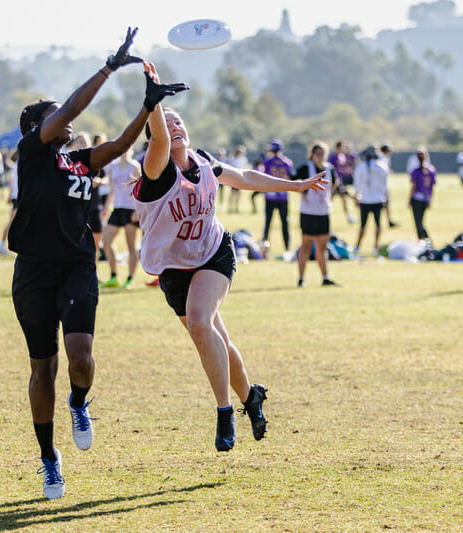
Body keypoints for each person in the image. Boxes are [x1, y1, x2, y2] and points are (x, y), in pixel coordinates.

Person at [8, 29, 185, 500]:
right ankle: (49, 458)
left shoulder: (80, 161)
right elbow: (69, 111)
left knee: (81, 358)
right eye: (54, 118)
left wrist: (150, 106)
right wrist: (109, 67)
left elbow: (125, 144)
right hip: (33, 274)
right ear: (38, 128)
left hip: (76, 268)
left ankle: (79, 402)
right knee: (41, 368)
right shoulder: (32, 154)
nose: (65, 122)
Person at [133, 73, 326, 453]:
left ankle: (225, 412)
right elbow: (156, 137)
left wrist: (294, 186)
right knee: (214, 337)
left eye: (179, 122)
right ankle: (251, 396)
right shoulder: (156, 172)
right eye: (167, 124)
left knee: (202, 324)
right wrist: (152, 103)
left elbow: (246, 178)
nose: (174, 127)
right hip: (175, 267)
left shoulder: (203, 162)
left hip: (214, 252)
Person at [294, 142, 340, 287]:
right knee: (306, 246)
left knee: (322, 247)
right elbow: (293, 180)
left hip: (323, 212)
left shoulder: (329, 169)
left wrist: (331, 194)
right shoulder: (306, 168)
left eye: (322, 154)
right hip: (308, 212)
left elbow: (336, 182)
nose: (320, 157)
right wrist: (303, 193)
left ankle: (325, 277)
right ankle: (301, 279)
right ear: (312, 155)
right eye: (317, 153)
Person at [99, 147, 142, 289]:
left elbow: (140, 190)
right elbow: (112, 191)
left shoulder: (134, 166)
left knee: (131, 246)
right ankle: (113, 276)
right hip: (117, 209)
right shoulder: (113, 167)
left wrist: (138, 210)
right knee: (106, 241)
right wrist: (106, 209)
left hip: (130, 210)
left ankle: (129, 279)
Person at [353, 146, 390, 256]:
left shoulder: (361, 167)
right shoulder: (381, 166)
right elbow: (385, 185)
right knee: (378, 224)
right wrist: (385, 198)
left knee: (363, 225)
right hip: (378, 199)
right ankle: (375, 245)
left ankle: (357, 246)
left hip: (365, 199)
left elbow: (357, 184)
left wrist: (356, 196)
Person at [260, 139, 293, 258]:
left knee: (268, 222)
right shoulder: (287, 162)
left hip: (270, 195)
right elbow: (290, 178)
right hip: (283, 196)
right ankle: (287, 247)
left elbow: (263, 176)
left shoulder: (267, 162)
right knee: (285, 222)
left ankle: (264, 247)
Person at [408, 147, 436, 243]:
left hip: (417, 198)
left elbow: (413, 187)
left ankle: (425, 240)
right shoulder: (431, 170)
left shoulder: (415, 171)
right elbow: (432, 187)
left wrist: (409, 200)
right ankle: (425, 240)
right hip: (425, 198)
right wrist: (429, 200)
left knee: (418, 222)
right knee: (421, 221)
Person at [328, 140, 358, 224]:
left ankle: (348, 217)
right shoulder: (333, 158)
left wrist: (345, 171)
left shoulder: (343, 156)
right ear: (337, 148)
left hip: (340, 182)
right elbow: (330, 169)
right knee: (330, 200)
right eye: (342, 147)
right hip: (334, 182)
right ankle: (324, 214)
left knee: (344, 198)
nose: (343, 149)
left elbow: (341, 169)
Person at [0, 149, 20, 255]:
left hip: (16, 196)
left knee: (13, 222)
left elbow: (12, 181)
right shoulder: (19, 164)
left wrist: (10, 195)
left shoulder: (16, 164)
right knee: (11, 222)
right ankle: (1, 245)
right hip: (19, 197)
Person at [378, 144, 398, 228]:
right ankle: (388, 221)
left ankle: (389, 220)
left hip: (382, 185)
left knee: (385, 204)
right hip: (382, 186)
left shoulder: (384, 158)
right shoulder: (383, 159)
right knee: (383, 203)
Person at [227, 146, 248, 214]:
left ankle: (236, 207)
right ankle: (230, 207)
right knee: (233, 194)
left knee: (239, 194)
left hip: (241, 178)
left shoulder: (244, 159)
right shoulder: (233, 159)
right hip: (234, 178)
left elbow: (245, 168)